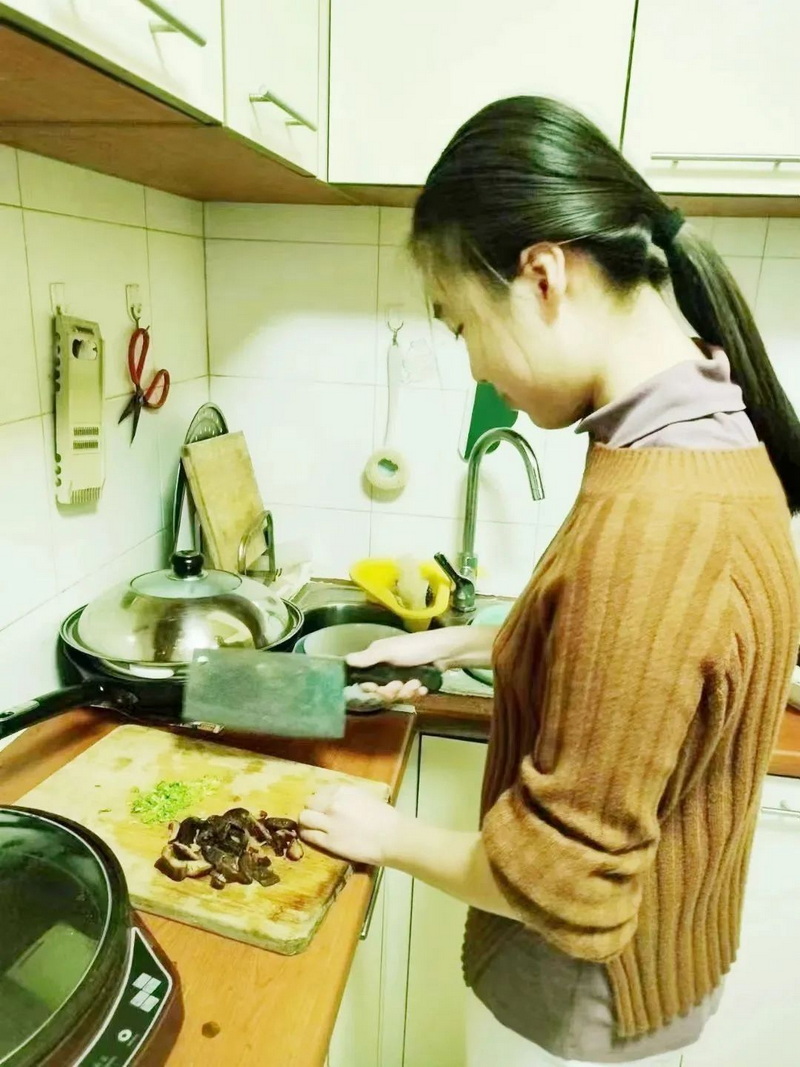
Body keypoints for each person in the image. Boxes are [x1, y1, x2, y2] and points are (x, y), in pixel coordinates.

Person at [298, 96, 800, 1066]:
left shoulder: (658, 517)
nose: (476, 366)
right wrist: (466, 641)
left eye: (460, 324)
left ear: (541, 276)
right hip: (646, 968)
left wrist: (384, 831)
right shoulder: (704, 434)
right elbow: (639, 666)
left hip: (581, 997)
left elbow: (560, 882)